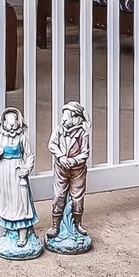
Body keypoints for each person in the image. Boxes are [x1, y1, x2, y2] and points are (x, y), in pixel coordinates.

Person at [0, 107, 42, 259]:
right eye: (8, 122)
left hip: (17, 170)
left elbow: (30, 154)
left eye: (13, 121)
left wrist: (26, 168)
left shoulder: (21, 138)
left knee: (20, 201)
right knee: (7, 199)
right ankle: (10, 231)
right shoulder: (1, 138)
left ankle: (23, 234)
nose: (11, 125)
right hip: (5, 171)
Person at [46, 101, 91, 252]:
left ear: (76, 118)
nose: (64, 120)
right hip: (61, 168)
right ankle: (55, 225)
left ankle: (77, 224)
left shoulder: (83, 134)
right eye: (63, 117)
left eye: (67, 117)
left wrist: (73, 161)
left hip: (77, 170)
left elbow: (85, 153)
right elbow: (52, 145)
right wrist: (61, 157)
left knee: (77, 197)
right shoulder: (59, 130)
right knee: (59, 195)